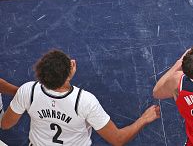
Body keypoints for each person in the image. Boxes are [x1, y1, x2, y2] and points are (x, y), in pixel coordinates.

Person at [0, 49, 160, 146]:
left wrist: (23, 98)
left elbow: (6, 124)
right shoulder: (85, 102)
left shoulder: (27, 91)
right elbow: (118, 140)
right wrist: (144, 119)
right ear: (69, 74)